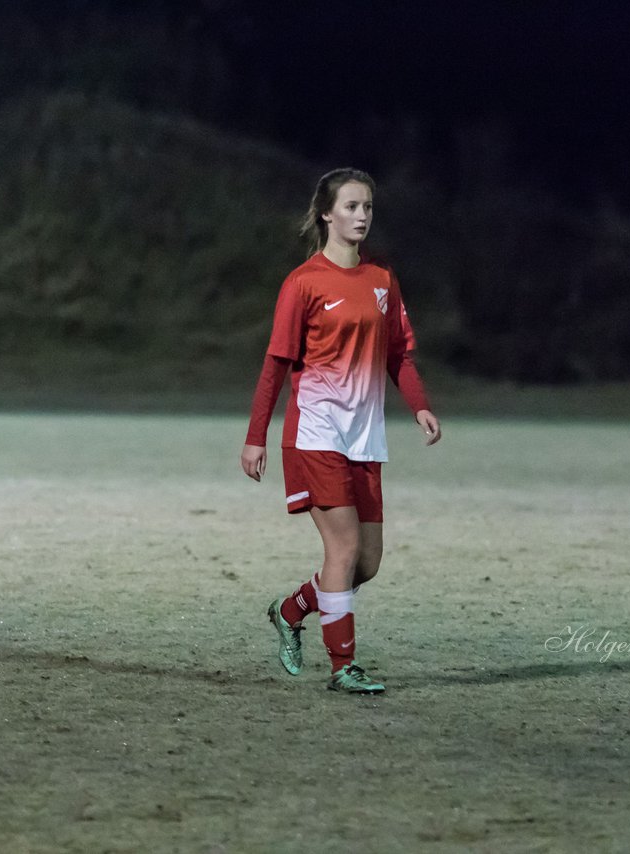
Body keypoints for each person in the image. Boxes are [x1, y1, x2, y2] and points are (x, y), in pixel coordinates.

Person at [241, 167, 441, 694]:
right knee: (344, 548)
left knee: (367, 562)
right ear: (326, 214)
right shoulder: (303, 283)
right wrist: (256, 435)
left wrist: (418, 405)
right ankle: (343, 667)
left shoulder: (382, 280)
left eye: (368, 207)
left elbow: (400, 354)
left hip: (364, 436)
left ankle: (291, 611)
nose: (361, 216)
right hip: (316, 433)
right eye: (351, 207)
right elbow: (275, 365)